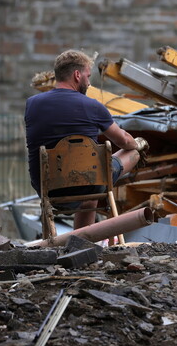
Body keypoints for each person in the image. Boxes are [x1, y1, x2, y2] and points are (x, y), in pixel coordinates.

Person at [25, 49, 148, 229]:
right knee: (131, 154)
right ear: (77, 75)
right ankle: (83, 240)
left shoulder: (32, 104)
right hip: (86, 186)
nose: (89, 83)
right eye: (88, 76)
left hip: (46, 185)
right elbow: (124, 141)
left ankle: (80, 240)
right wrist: (139, 143)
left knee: (90, 178)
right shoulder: (93, 106)